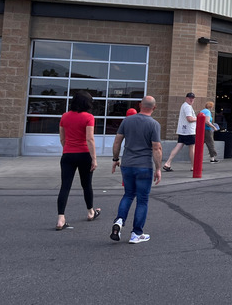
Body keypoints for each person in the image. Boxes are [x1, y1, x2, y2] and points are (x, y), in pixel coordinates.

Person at [110, 95, 162, 244]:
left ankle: (119, 221)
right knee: (142, 200)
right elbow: (156, 148)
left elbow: (117, 141)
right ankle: (136, 233)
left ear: (140, 105)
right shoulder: (154, 124)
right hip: (143, 166)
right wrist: (158, 168)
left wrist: (115, 159)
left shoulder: (127, 121)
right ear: (154, 107)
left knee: (128, 195)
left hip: (127, 164)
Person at [56, 90, 100, 230]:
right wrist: (94, 158)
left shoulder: (64, 116)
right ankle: (90, 212)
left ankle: (61, 218)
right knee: (86, 185)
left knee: (65, 186)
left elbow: (62, 138)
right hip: (84, 154)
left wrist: (67, 148)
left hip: (68, 154)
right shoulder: (89, 117)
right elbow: (89, 138)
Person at [163, 92, 197, 172]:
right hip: (189, 131)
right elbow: (189, 119)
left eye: (192, 98)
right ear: (186, 98)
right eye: (190, 98)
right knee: (192, 147)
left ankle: (168, 163)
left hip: (182, 130)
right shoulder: (188, 107)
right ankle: (193, 166)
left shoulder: (184, 105)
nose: (191, 99)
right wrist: (198, 118)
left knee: (178, 146)